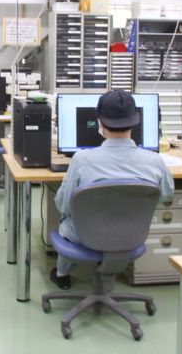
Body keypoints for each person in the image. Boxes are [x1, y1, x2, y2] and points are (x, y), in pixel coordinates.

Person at [50, 90, 174, 290]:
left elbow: (62, 204)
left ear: (100, 121)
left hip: (86, 236)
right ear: (136, 120)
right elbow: (166, 195)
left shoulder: (82, 160)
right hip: (132, 235)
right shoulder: (155, 161)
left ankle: (62, 273)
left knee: (67, 218)